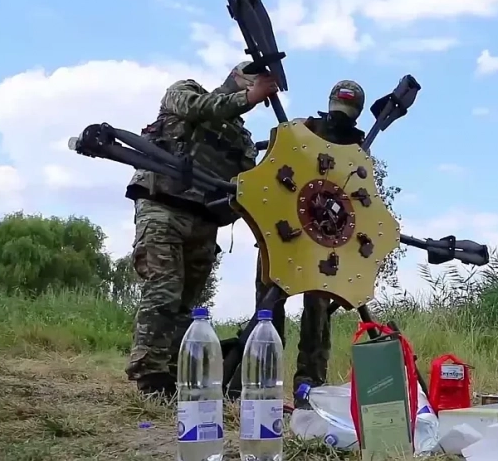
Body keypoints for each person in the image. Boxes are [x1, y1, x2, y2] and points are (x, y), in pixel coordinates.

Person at [124, 61, 280, 397]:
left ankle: (174, 375)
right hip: (162, 205)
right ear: (236, 78)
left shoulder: (241, 138)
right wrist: (248, 98)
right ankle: (150, 378)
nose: (253, 90)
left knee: (187, 304)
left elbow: (249, 182)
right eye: (251, 81)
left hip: (203, 221)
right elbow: (201, 108)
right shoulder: (186, 92)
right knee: (163, 291)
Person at [255, 80, 366, 409]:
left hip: (324, 239)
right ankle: (263, 383)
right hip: (284, 230)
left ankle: (309, 388)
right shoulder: (301, 129)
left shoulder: (358, 147)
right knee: (269, 305)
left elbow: (358, 196)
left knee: (317, 311)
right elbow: (271, 171)